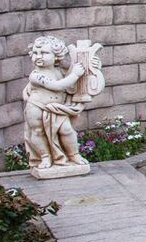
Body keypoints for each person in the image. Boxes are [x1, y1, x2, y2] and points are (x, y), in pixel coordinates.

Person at [21, 36, 96, 171]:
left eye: (44, 53)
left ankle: (74, 155)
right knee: (38, 132)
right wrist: (75, 75)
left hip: (57, 109)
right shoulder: (36, 75)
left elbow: (73, 80)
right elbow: (57, 86)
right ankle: (45, 156)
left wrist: (92, 64)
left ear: (56, 56)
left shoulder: (59, 71)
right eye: (35, 53)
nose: (38, 57)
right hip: (36, 108)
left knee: (67, 131)